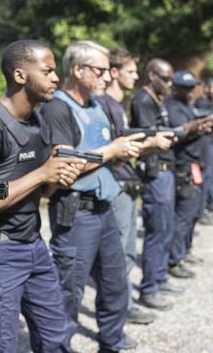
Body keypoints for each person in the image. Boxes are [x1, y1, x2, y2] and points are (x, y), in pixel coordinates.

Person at [0, 40, 85, 353]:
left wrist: (58, 178)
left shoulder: (37, 121)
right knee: (1, 345)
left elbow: (39, 188)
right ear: (19, 75)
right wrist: (43, 173)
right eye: (48, 71)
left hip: (35, 245)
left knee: (57, 337)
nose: (56, 78)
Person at [40, 40, 144, 352]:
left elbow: (103, 155)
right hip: (76, 213)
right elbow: (62, 165)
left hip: (104, 209)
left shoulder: (96, 105)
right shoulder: (57, 108)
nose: (107, 76)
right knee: (69, 291)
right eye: (99, 70)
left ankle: (112, 342)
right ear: (77, 70)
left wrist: (127, 152)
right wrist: (112, 150)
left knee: (115, 286)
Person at [95, 48, 167, 325]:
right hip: (117, 183)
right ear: (115, 73)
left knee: (126, 252)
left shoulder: (117, 104)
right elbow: (112, 150)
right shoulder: (103, 105)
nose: (136, 77)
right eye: (130, 71)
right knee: (117, 256)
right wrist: (151, 143)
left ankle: (121, 305)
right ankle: (118, 310)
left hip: (127, 182)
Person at [129, 58, 185, 310]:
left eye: (171, 79)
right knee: (157, 230)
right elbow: (146, 138)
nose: (169, 84)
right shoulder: (143, 100)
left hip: (165, 172)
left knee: (166, 228)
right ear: (151, 76)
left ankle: (159, 277)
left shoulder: (155, 100)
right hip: (154, 173)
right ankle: (149, 289)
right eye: (165, 78)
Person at [165, 70, 213, 279]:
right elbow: (178, 131)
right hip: (185, 166)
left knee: (193, 213)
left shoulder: (186, 105)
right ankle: (174, 260)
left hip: (197, 165)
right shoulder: (172, 106)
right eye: (186, 88)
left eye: (192, 88)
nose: (191, 92)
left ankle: (184, 252)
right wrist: (199, 125)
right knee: (183, 216)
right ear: (176, 88)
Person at [194, 78, 213, 214]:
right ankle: (202, 206)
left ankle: (211, 201)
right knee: (207, 174)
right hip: (207, 141)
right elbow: (203, 118)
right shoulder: (201, 102)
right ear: (207, 88)